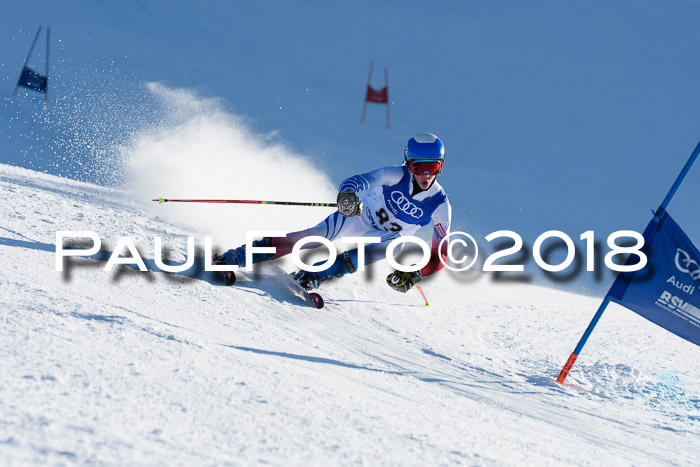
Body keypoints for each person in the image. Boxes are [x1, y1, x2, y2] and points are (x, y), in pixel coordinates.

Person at [215, 132, 452, 293]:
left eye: (433, 167)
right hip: (358, 218)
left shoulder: (440, 204)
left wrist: (416, 273)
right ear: (408, 164)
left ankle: (316, 275)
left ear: (441, 167)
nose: (425, 175)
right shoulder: (395, 175)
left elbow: (440, 255)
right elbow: (359, 180)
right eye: (418, 167)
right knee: (311, 238)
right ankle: (239, 255)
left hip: (381, 238)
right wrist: (348, 196)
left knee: (395, 243)